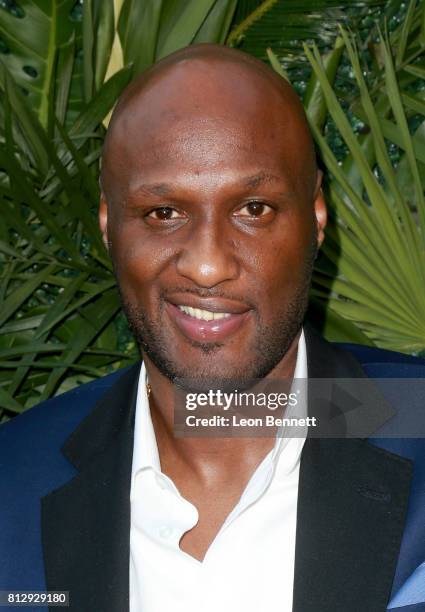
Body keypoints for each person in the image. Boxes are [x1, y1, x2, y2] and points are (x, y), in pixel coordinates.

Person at [1, 43, 425, 612]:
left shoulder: (412, 415)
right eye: (164, 213)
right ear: (109, 226)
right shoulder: (14, 476)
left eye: (253, 209)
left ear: (316, 219)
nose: (206, 264)